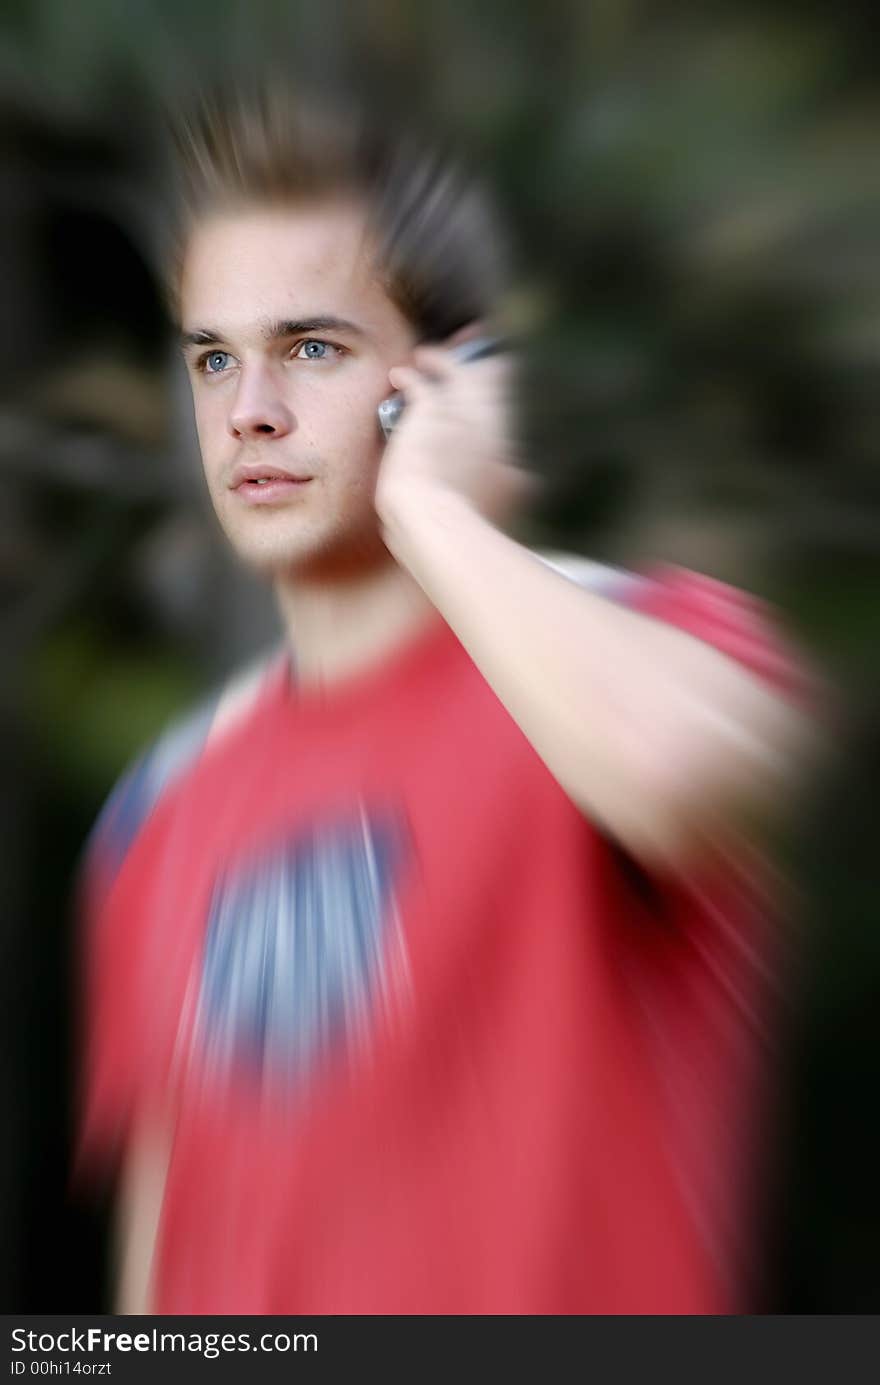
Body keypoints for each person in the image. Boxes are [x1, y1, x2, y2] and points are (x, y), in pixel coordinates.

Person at [76, 81, 815, 1315]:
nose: (247, 410)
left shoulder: (642, 640)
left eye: (309, 348)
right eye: (215, 357)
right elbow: (166, 1273)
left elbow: (680, 775)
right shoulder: (152, 810)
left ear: (450, 372)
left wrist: (430, 509)